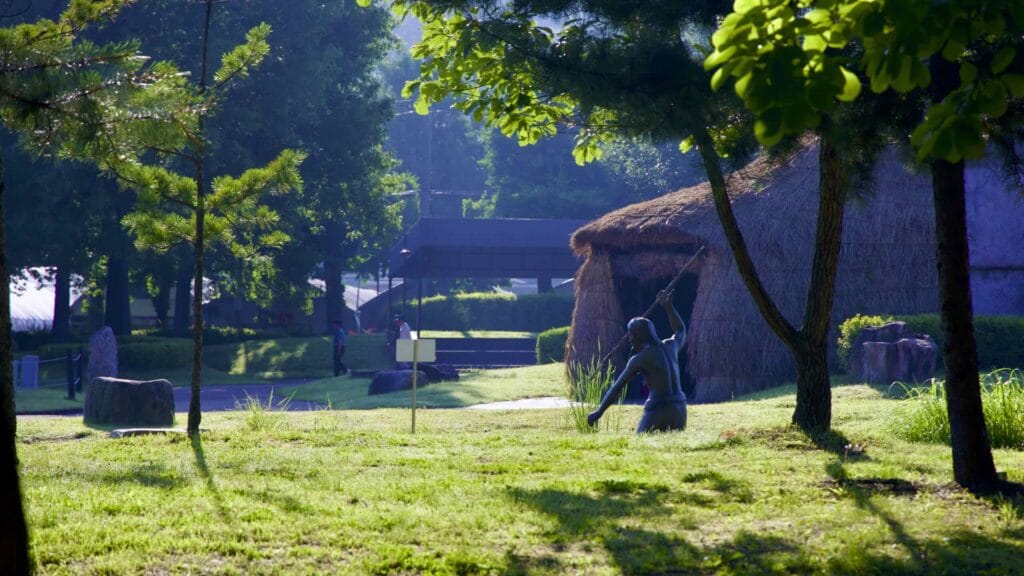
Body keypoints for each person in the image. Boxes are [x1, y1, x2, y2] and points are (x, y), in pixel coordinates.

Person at [588, 289, 687, 433]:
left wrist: (599, 411)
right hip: (680, 410)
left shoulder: (640, 359)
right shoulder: (671, 346)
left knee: (640, 442)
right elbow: (680, 330)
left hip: (658, 410)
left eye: (630, 335)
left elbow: (617, 388)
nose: (629, 339)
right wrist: (669, 308)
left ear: (636, 336)